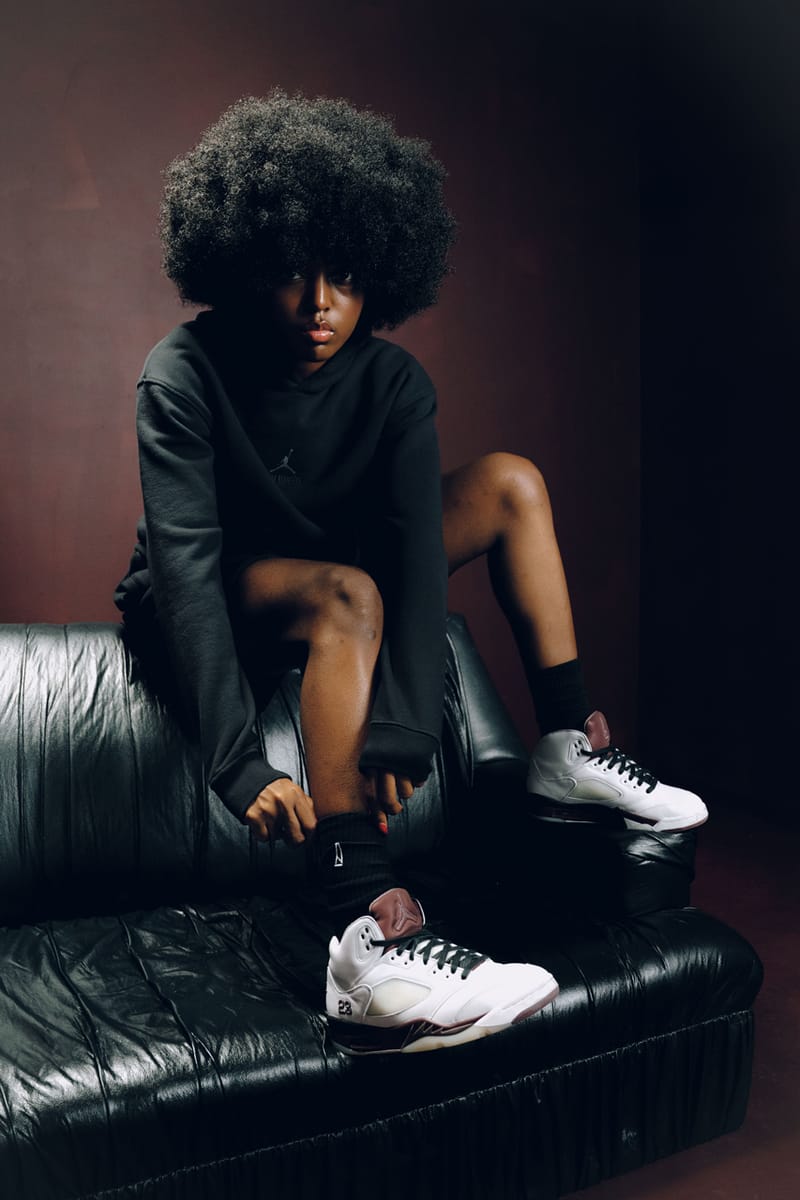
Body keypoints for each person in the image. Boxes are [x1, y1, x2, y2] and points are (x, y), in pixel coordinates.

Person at [115, 90, 706, 1056]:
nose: (319, 303)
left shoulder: (393, 384)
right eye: (292, 272)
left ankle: (568, 743)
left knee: (510, 483)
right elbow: (185, 571)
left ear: (381, 275)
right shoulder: (181, 372)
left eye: (345, 277)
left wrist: (404, 726)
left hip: (338, 565)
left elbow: (416, 561)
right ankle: (365, 937)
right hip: (216, 584)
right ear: (246, 263)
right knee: (346, 593)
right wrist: (235, 759)